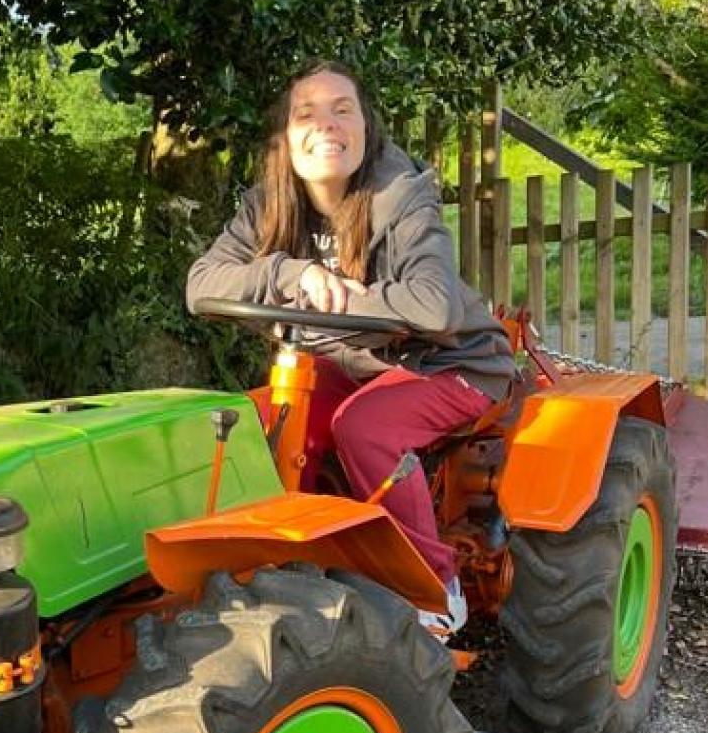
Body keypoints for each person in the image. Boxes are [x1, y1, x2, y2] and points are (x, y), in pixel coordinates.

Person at [186, 59, 518, 634]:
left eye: (343, 110)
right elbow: (201, 285)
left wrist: (348, 297)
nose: (326, 125)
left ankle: (434, 590)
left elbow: (434, 306)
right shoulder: (268, 204)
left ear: (366, 127)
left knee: (366, 427)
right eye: (307, 113)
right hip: (348, 363)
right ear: (285, 135)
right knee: (257, 420)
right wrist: (293, 275)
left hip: (446, 362)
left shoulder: (401, 195)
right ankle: (262, 568)